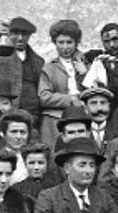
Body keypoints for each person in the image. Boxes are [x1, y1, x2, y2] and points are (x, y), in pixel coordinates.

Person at [38, 19, 88, 147]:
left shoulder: (87, 64)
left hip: (82, 117)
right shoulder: (49, 68)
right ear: (55, 43)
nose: (65, 47)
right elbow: (44, 97)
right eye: (61, 42)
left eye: (69, 42)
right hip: (55, 119)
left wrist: (84, 74)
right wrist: (70, 99)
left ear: (76, 43)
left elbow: (95, 91)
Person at [80, 87, 117, 155]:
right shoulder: (79, 133)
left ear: (109, 106)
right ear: (85, 108)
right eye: (94, 103)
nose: (99, 108)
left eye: (103, 103)